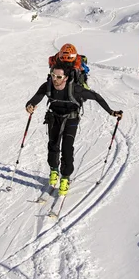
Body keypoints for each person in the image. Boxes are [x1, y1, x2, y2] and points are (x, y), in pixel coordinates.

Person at [26, 63, 123, 196]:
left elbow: (96, 97)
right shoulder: (47, 85)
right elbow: (36, 98)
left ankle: (65, 178)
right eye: (53, 75)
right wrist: (29, 105)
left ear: (65, 77)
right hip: (54, 117)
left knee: (67, 147)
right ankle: (54, 170)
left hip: (71, 119)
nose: (55, 79)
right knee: (53, 145)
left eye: (58, 77)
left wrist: (111, 112)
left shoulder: (76, 89)